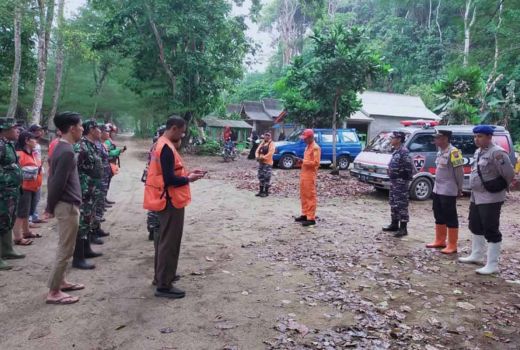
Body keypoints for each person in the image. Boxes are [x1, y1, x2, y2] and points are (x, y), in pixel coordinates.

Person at [143, 115, 205, 299]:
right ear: (175, 128)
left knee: (163, 240)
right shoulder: (166, 148)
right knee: (169, 243)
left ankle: (162, 276)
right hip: (170, 200)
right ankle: (164, 285)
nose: (183, 134)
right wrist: (188, 178)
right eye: (182, 130)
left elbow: (169, 173)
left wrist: (187, 173)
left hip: (164, 198)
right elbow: (170, 179)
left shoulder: (161, 144)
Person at [459, 125, 515, 275]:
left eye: (480, 136)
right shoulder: (478, 152)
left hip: (491, 197)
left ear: (489, 137)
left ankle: (492, 264)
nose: (476, 139)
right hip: (477, 196)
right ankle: (476, 255)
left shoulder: (497, 153)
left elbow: (509, 173)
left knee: (491, 228)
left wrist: (500, 187)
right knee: (475, 225)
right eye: (475, 136)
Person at [44, 112, 84, 305]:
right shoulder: (66, 151)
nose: (82, 129)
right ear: (72, 128)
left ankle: (62, 281)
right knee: (65, 249)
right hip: (66, 206)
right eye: (80, 126)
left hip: (68, 204)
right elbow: (56, 183)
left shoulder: (61, 147)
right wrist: (49, 207)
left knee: (68, 246)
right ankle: (54, 291)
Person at [426, 130, 465, 254]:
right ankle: (440, 240)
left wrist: (460, 188)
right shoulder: (440, 152)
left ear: (445, 139)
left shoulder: (454, 152)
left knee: (450, 216)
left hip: (448, 189)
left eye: (437, 138)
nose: (435, 140)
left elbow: (459, 172)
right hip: (437, 188)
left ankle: (452, 244)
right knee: (438, 214)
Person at [72, 120, 104, 270]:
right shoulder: (81, 146)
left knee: (89, 219)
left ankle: (86, 249)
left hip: (92, 190)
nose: (100, 131)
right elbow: (74, 170)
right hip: (84, 190)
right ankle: (78, 258)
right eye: (98, 128)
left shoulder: (91, 145)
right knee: (82, 222)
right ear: (91, 129)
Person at [0, 117, 25, 270]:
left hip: (10, 190)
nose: (18, 131)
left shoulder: (7, 144)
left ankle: (7, 249)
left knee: (7, 220)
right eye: (14, 128)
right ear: (4, 129)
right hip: (2, 190)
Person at [13, 131, 44, 244]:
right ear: (27, 141)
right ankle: (18, 237)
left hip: (33, 187)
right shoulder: (19, 154)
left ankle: (26, 231)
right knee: (21, 213)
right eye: (33, 139)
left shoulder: (33, 153)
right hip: (24, 188)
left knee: (27, 212)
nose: (36, 141)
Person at [382, 131, 414, 237]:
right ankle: (394, 224)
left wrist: (402, 178)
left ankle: (403, 228)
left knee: (401, 205)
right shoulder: (396, 151)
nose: (391, 139)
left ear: (399, 139)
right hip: (394, 182)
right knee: (393, 203)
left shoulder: (404, 152)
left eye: (393, 138)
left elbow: (409, 168)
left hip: (400, 183)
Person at [143, 125, 167, 241]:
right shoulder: (161, 146)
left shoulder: (155, 145)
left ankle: (152, 228)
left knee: (153, 205)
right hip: (157, 180)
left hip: (151, 178)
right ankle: (155, 228)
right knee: (157, 205)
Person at [294, 129, 321, 227]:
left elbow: (316, 163)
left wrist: (303, 161)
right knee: (304, 196)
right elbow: (307, 161)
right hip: (304, 174)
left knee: (310, 196)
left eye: (305, 139)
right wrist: (301, 162)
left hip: (310, 176)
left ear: (310, 137)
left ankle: (311, 218)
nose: (304, 140)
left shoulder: (315, 148)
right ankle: (305, 214)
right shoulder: (307, 147)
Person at [28, 124, 46, 225]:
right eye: (38, 130)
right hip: (31, 172)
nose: (40, 132)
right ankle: (29, 218)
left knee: (37, 196)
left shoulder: (37, 144)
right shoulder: (30, 144)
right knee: (31, 196)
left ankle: (34, 216)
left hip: (38, 172)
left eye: (41, 130)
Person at [104, 123, 126, 203]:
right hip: (108, 162)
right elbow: (108, 152)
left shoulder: (109, 140)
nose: (114, 134)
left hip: (111, 162)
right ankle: (103, 200)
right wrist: (118, 151)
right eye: (113, 132)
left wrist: (119, 151)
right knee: (105, 182)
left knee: (107, 182)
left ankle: (104, 199)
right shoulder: (106, 141)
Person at [255, 132, 275, 197]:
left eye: (268, 136)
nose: (266, 137)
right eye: (265, 135)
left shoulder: (271, 144)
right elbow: (257, 150)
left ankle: (266, 192)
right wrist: (257, 156)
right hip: (261, 162)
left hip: (268, 163)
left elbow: (270, 153)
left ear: (270, 137)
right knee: (261, 176)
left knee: (267, 177)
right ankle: (260, 191)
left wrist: (263, 157)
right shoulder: (262, 143)